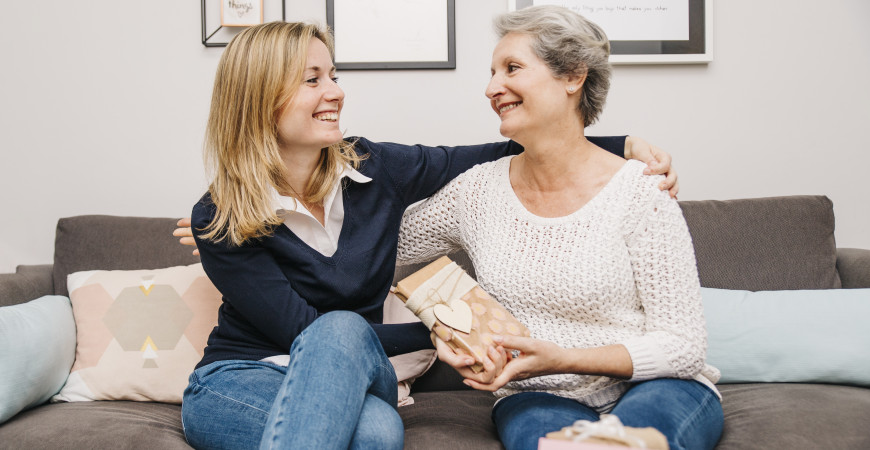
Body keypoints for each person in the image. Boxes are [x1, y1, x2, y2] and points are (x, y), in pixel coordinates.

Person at [179, 20, 677, 450]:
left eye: (333, 75)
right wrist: (444, 333)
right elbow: (302, 332)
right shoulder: (218, 217)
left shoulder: (373, 167)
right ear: (260, 97)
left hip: (359, 372)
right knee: (371, 425)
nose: (335, 92)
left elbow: (487, 155)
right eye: (313, 80)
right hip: (243, 378)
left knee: (352, 355)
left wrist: (621, 145)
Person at [396, 6, 723, 450]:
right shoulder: (475, 192)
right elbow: (380, 248)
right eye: (492, 73)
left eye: (512, 68)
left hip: (658, 386)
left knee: (626, 444)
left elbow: (683, 346)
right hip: (535, 396)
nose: (491, 88)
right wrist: (446, 328)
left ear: (573, 76)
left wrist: (565, 358)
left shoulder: (640, 190)